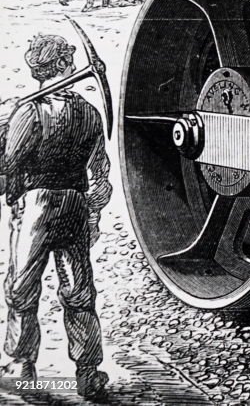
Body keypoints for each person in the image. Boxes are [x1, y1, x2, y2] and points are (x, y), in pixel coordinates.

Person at [0, 34, 112, 400]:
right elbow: (100, 172)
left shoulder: (27, 112)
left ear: (38, 70)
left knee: (21, 286)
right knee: (78, 290)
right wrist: (93, 214)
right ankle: (88, 371)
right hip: (75, 204)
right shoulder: (89, 114)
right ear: (65, 66)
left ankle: (20, 364)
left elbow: (11, 164)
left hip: (36, 204)